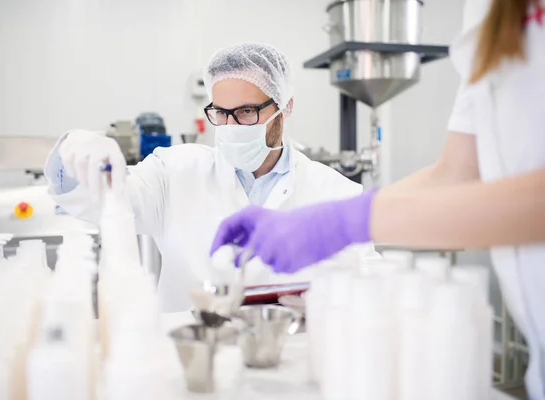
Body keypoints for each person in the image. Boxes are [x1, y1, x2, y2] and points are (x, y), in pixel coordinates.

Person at [211, 0, 545, 397]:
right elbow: (457, 172)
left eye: (247, 111)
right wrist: (342, 215)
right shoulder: (488, 13)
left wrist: (344, 221)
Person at [43, 42, 377, 313]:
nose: (229, 127)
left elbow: (369, 283)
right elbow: (102, 199)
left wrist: (332, 305)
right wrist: (73, 155)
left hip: (288, 362)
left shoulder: (334, 191)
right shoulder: (173, 173)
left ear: (284, 107)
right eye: (220, 113)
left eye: (246, 112)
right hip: (192, 367)